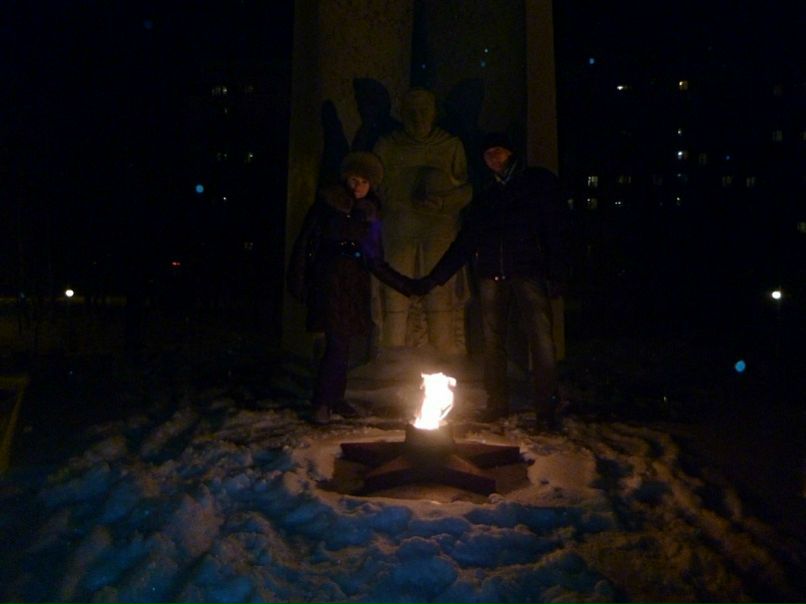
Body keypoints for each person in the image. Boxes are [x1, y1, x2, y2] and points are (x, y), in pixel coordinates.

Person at [411, 132, 570, 426]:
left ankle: (546, 408)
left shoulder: (535, 183)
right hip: (492, 275)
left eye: (499, 151)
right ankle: (497, 403)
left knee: (540, 341)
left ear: (511, 152)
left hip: (528, 272)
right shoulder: (487, 194)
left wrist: (557, 272)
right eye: (488, 154)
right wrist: (435, 279)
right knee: (492, 342)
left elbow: (555, 228)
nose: (493, 158)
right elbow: (466, 241)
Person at [287, 151, 416, 424]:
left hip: (354, 283)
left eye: (364, 182)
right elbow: (305, 241)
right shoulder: (327, 205)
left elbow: (375, 259)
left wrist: (406, 286)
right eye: (354, 180)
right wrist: (298, 278)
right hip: (329, 280)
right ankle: (323, 402)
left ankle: (335, 397)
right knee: (336, 342)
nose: (357, 186)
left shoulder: (369, 215)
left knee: (344, 343)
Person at [373, 89, 472, 353]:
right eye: (412, 112)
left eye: (424, 111)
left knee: (439, 290)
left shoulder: (450, 146)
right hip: (399, 229)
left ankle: (444, 352)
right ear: (402, 114)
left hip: (439, 229)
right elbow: (375, 188)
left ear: (434, 112)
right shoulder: (387, 146)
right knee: (395, 292)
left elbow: (466, 190)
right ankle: (392, 354)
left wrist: (444, 203)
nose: (418, 118)